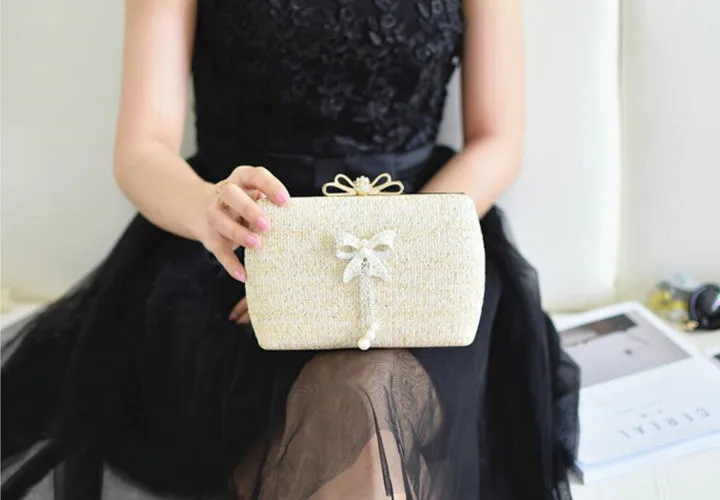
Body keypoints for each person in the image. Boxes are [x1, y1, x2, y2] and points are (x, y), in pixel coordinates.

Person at [1, 0, 580, 498]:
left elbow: (498, 139)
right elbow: (141, 149)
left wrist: (387, 255)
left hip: (421, 243)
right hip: (237, 246)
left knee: (373, 395)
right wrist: (210, 211)